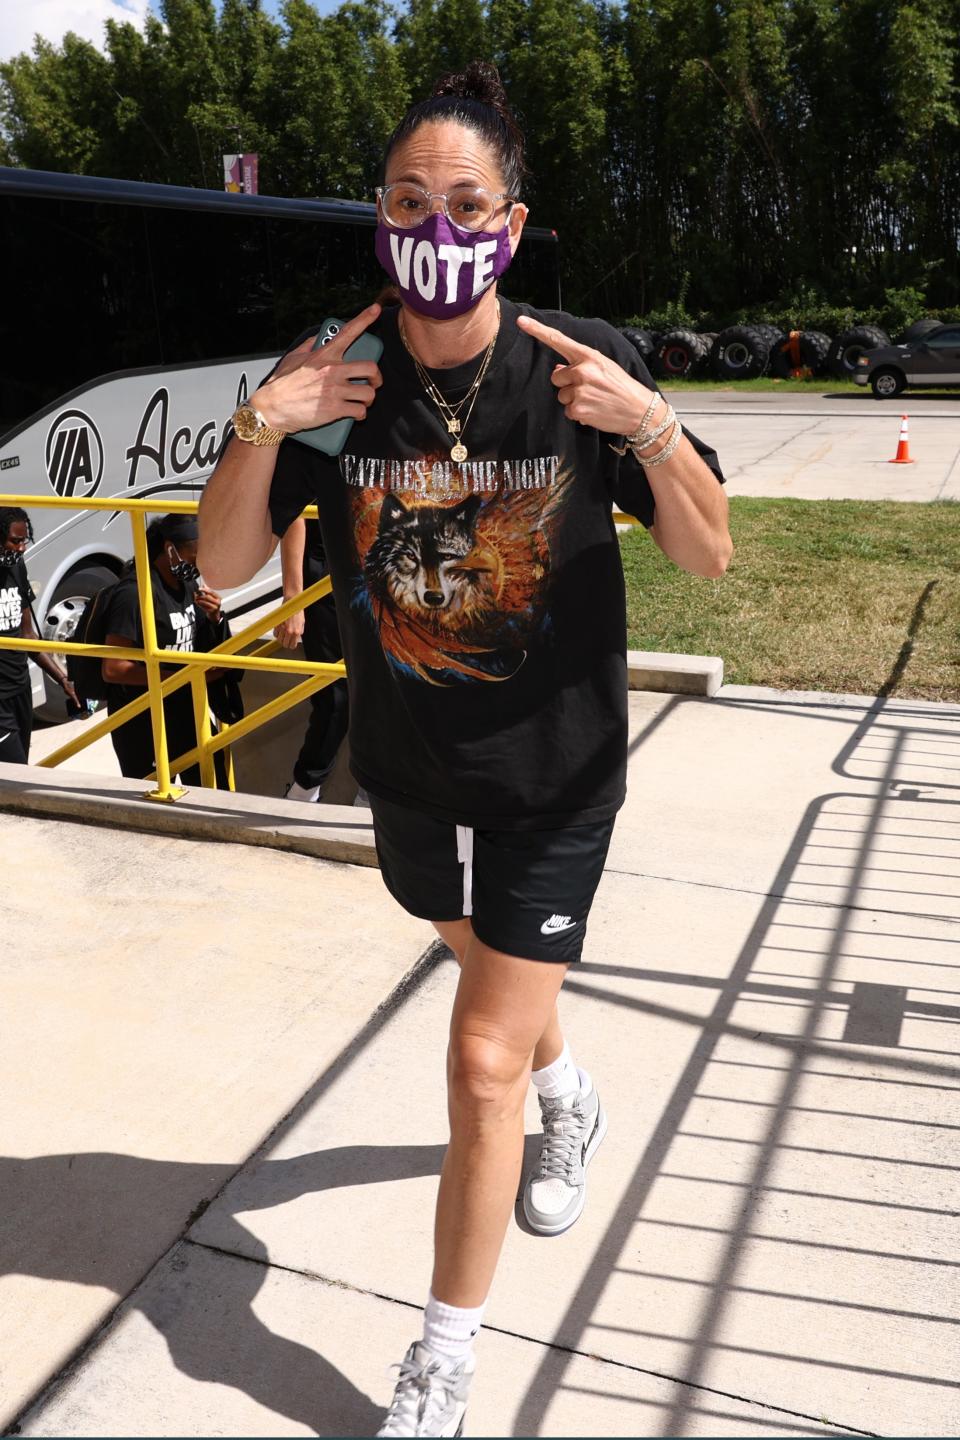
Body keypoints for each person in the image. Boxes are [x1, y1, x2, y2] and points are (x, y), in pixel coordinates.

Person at [198, 61, 731, 1438]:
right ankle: (574, 1092)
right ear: (379, 216)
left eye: (466, 202)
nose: (438, 226)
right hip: (412, 768)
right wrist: (263, 420)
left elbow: (710, 555)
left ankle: (442, 1361)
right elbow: (225, 566)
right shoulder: (340, 375)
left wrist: (656, 432)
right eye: (409, 200)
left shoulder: (576, 365)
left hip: (557, 770)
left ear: (510, 220)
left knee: (477, 1058)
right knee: (479, 948)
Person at [102, 513, 229, 787]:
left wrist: (215, 617)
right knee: (154, 797)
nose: (198, 566)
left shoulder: (186, 584)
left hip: (185, 708)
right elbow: (113, 668)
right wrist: (181, 677)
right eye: (194, 558)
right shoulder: (133, 594)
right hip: (143, 721)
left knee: (214, 784)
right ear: (170, 549)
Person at [273, 514, 349, 802]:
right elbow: (295, 514)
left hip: (375, 576)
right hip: (325, 581)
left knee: (386, 693)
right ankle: (303, 792)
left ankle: (373, 795)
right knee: (336, 698)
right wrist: (294, 599)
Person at [0, 506, 81, 763]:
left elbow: (27, 634)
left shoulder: (16, 567)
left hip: (20, 688)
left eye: (24, 540)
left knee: (21, 766)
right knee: (14, 770)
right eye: (15, 541)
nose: (22, 548)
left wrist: (62, 678)